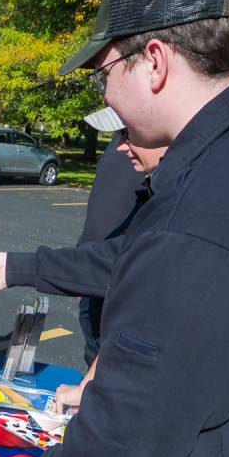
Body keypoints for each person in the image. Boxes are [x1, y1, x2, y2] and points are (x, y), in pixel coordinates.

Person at [0, 0, 229, 457]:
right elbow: (143, 262)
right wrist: (21, 267)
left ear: (155, 62)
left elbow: (138, 415)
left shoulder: (196, 208)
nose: (106, 97)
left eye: (104, 76)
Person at [76, 108, 147, 366]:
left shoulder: (142, 157)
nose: (122, 146)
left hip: (116, 277)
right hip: (97, 266)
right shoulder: (121, 151)